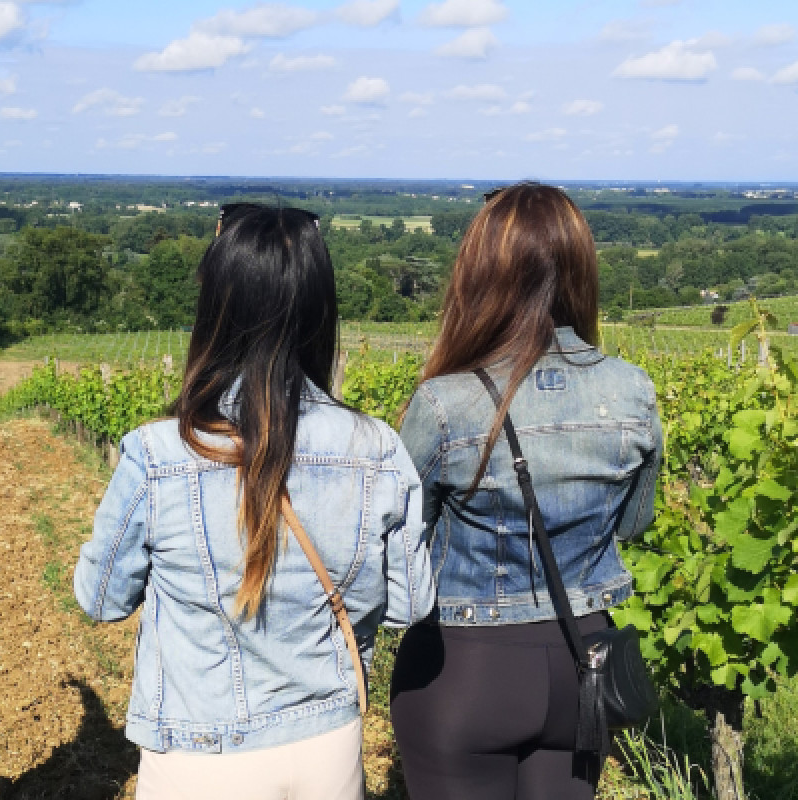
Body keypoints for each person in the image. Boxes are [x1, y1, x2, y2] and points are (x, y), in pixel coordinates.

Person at [74, 204, 434, 800]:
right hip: (328, 744)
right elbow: (410, 603)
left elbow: (100, 599)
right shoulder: (376, 447)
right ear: (320, 308)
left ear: (216, 308)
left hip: (201, 749)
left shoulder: (160, 452)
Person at [390, 183, 663, 800]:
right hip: (584, 660)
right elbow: (633, 524)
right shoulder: (632, 390)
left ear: (480, 274)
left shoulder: (446, 402)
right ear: (579, 268)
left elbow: (405, 535)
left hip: (464, 666)